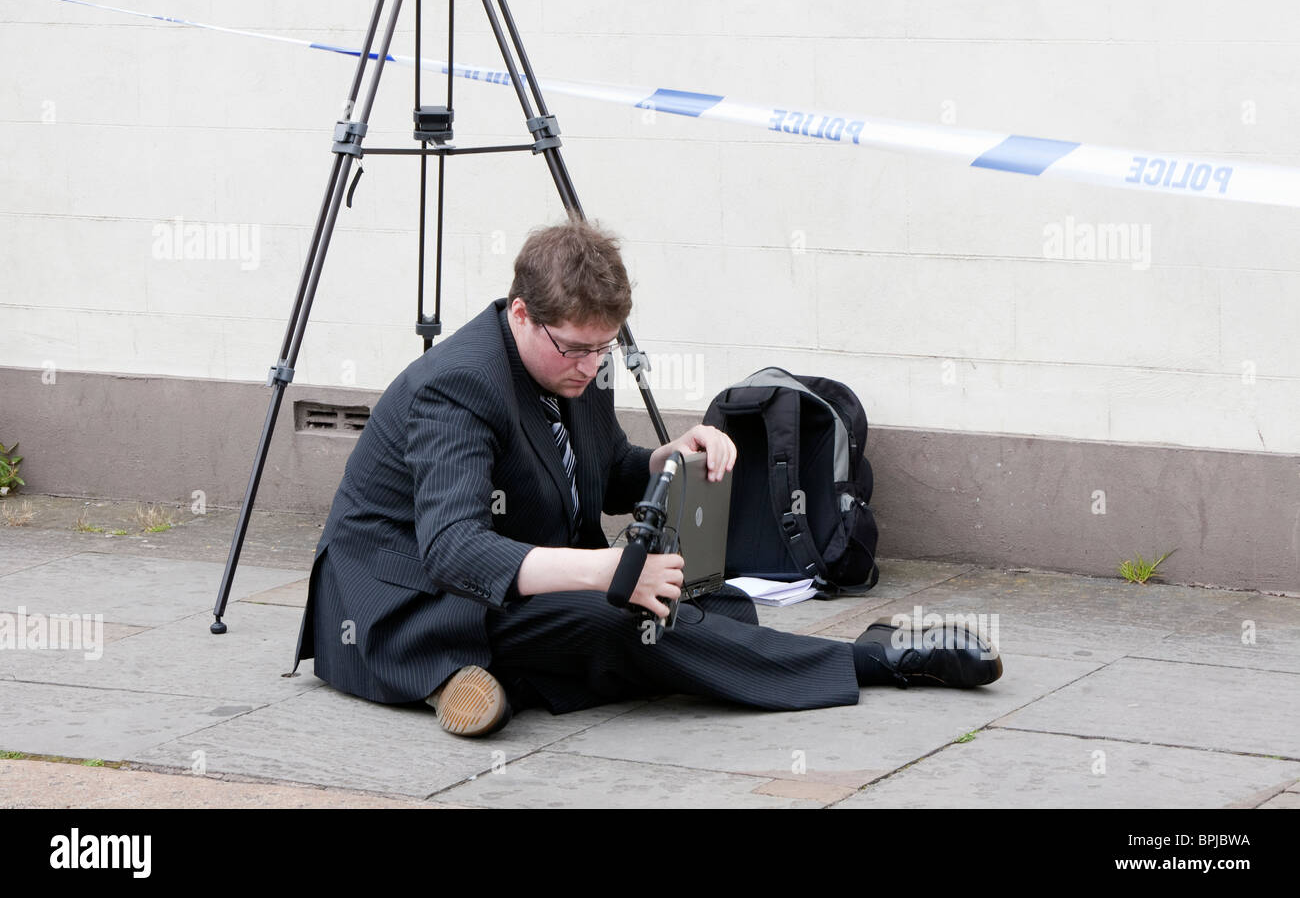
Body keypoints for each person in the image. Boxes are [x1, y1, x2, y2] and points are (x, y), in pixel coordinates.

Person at [293, 219, 1001, 736]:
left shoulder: (578, 362)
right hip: (408, 603)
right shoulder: (458, 387)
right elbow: (454, 549)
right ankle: (880, 660)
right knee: (628, 620)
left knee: (709, 606)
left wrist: (671, 459)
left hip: (496, 579)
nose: (592, 366)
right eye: (576, 349)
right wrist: (608, 571)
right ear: (521, 315)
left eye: (605, 349)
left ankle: (495, 685)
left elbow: (602, 478)